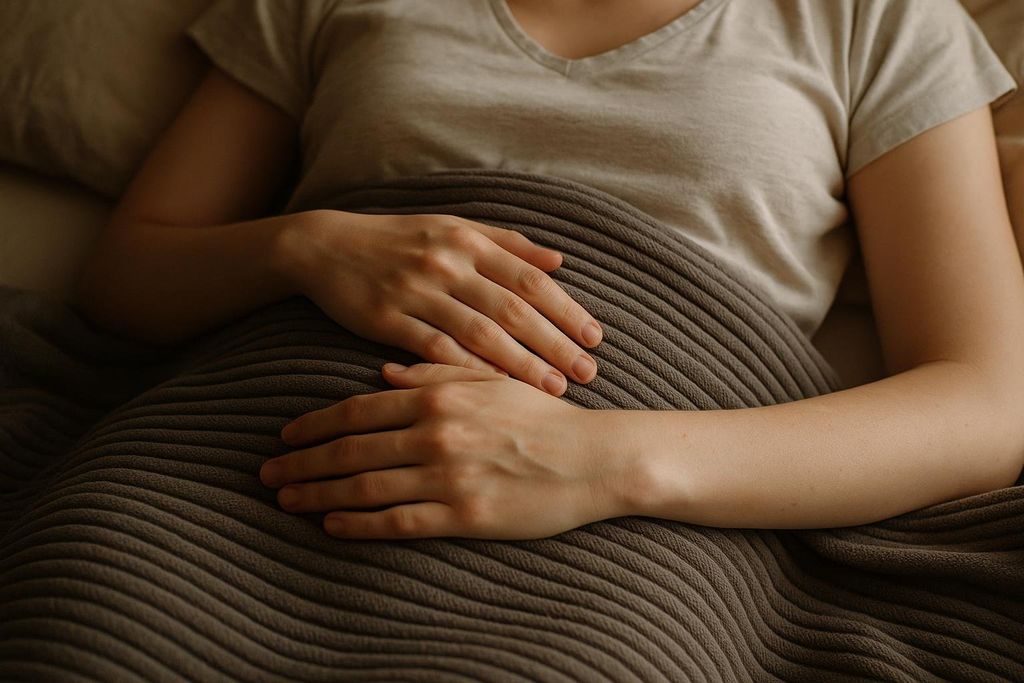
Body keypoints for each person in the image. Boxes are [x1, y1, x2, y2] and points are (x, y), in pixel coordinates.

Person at [72, 0, 1024, 540]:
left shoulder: (880, 17)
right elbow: (125, 275)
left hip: (633, 527)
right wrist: (304, 243)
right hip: (231, 462)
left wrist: (605, 462)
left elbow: (988, 403)